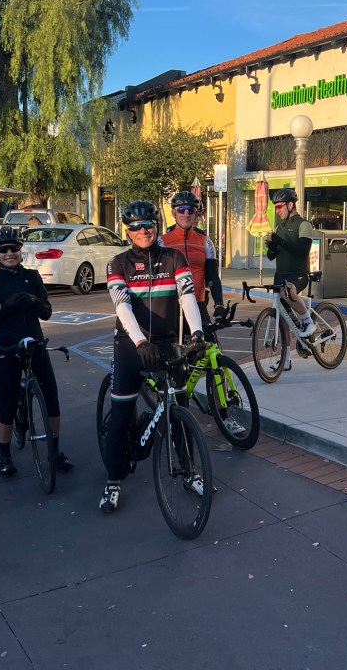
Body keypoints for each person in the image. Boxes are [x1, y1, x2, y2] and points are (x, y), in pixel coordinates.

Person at [101, 200, 205, 513]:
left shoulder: (174, 258)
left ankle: (189, 470)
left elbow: (187, 297)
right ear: (127, 231)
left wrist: (197, 334)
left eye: (148, 225)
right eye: (135, 226)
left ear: (156, 226)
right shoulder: (118, 263)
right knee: (121, 414)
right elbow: (122, 306)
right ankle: (113, 481)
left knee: (180, 408)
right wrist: (139, 341)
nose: (143, 231)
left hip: (166, 341)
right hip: (130, 343)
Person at [0, 227, 73, 477]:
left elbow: (47, 312)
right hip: (5, 348)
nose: (9, 253)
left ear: (21, 251)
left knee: (52, 399)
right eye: (3, 250)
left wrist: (35, 301)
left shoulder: (32, 276)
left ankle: (55, 451)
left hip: (35, 345)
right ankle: (5, 456)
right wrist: (5, 307)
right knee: (8, 405)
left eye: (14, 249)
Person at [160, 190, 226, 323]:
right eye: (181, 210)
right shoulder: (161, 242)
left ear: (195, 215)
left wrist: (219, 304)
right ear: (173, 213)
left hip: (197, 303)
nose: (186, 214)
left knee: (208, 336)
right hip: (169, 305)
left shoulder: (205, 242)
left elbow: (212, 276)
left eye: (191, 210)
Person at [263, 188, 315, 337]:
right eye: (275, 207)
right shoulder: (279, 228)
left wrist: (280, 241)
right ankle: (286, 351)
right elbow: (271, 256)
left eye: (279, 206)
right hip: (280, 275)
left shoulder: (303, 225)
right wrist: (272, 247)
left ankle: (308, 322)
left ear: (290, 205)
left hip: (298, 274)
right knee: (283, 315)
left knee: (287, 291)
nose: (277, 210)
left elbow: (302, 251)